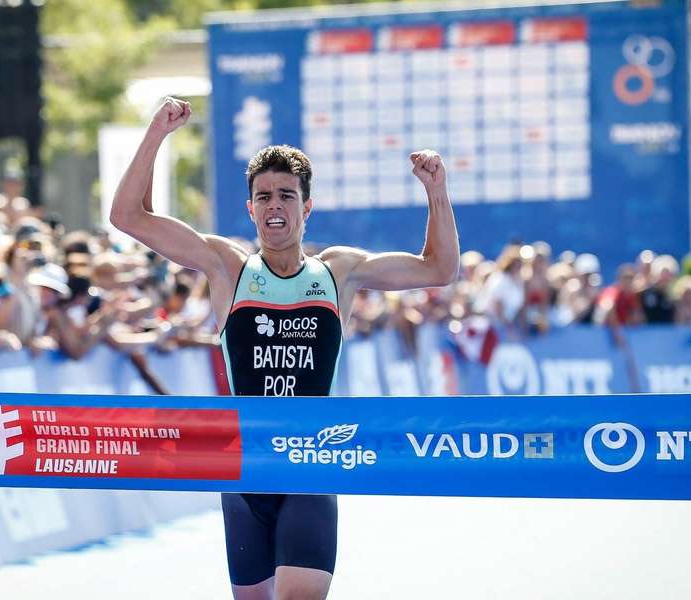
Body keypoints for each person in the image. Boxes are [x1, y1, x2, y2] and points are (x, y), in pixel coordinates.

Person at [110, 97, 460, 600]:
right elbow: (127, 215)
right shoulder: (227, 266)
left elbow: (439, 269)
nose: (275, 206)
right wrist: (155, 135)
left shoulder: (339, 270)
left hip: (312, 461)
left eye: (287, 196)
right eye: (264, 197)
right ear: (250, 208)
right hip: (245, 468)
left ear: (307, 206)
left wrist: (437, 192)